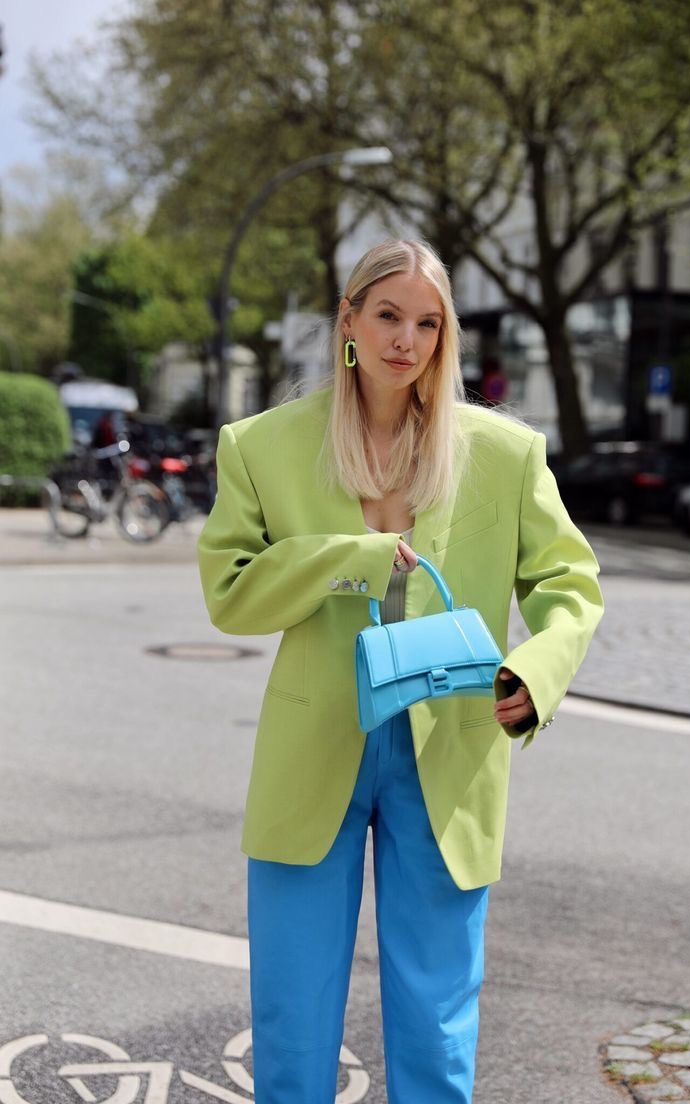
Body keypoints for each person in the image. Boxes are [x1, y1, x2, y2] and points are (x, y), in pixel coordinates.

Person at [197, 239, 603, 1104]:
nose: (405, 341)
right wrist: (351, 558)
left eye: (428, 322)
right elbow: (230, 595)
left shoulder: (503, 451)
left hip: (454, 743)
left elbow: (570, 585)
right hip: (315, 746)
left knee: (437, 1019)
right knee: (293, 1014)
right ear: (348, 321)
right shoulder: (261, 445)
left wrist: (537, 670)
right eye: (387, 316)